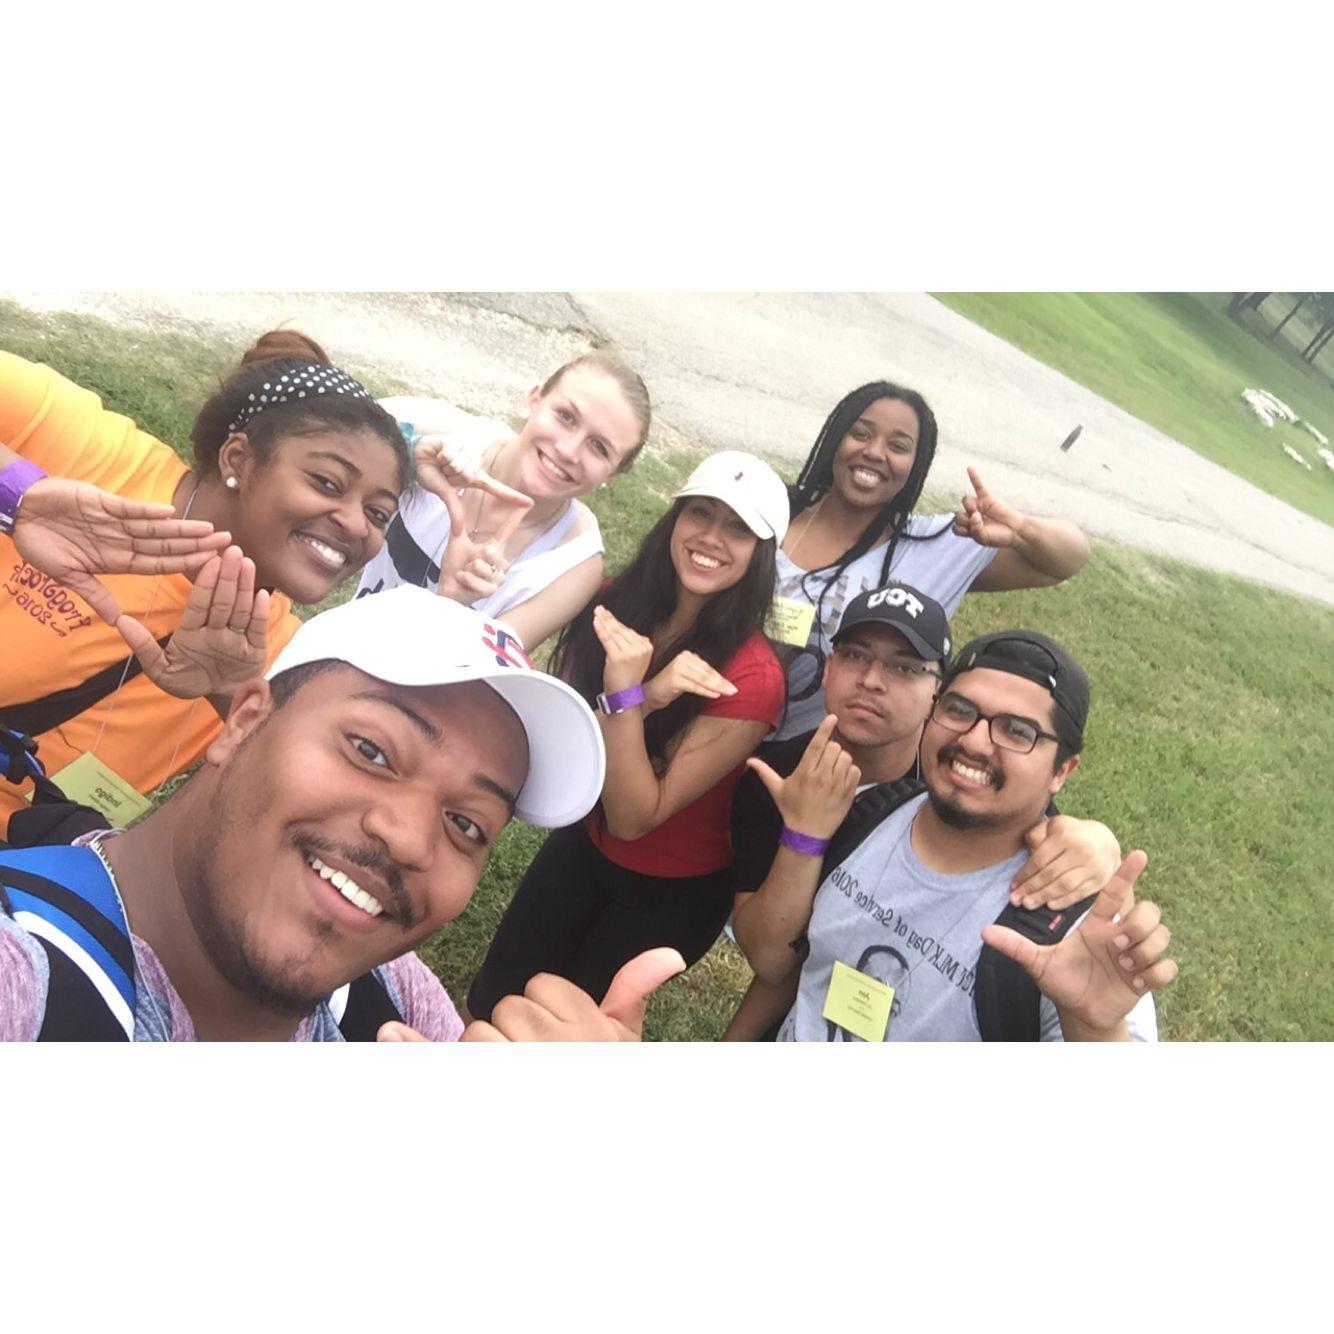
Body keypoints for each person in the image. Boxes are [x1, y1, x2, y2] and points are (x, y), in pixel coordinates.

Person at [0, 586, 685, 1041]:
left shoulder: (389, 998)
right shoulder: (22, 973)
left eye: (467, 823)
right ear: (243, 721)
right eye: (371, 750)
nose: (411, 838)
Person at [0, 332, 410, 839]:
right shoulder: (85, 449)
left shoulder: (278, 654)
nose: (355, 524)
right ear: (237, 459)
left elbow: (293, 817)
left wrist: (229, 693)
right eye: (327, 482)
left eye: (378, 513)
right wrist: (18, 495)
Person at [466, 451, 790, 1019]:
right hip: (585, 843)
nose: (711, 537)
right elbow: (560, 739)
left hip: (671, 890)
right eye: (701, 513)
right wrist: (649, 696)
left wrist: (625, 695)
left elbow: (635, 817)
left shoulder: (752, 679)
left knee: (564, 1035)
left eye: (738, 528)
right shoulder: (615, 602)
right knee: (493, 1000)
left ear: (761, 554)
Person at [726, 582, 1122, 1040]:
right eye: (855, 655)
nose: (975, 741)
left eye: (904, 667)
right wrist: (804, 836)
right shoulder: (849, 808)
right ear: (828, 667)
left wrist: (1098, 844)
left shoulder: (1063, 920)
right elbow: (785, 962)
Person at [772, 381, 1090, 739]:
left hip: (822, 754)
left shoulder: (937, 544)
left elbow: (1069, 558)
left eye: (898, 446)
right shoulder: (771, 508)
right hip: (717, 721)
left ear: (916, 464)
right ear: (835, 438)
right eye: (860, 433)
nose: (875, 452)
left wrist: (1020, 528)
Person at [355, 351, 652, 649]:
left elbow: (474, 680)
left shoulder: (572, 563)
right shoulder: (446, 434)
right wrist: (408, 452)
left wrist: (452, 605)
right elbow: (330, 424)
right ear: (536, 399)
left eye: (599, 447)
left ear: (611, 474)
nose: (567, 450)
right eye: (565, 416)